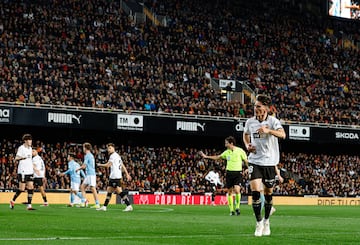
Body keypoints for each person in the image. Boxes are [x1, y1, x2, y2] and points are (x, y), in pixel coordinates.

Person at [243, 94, 286, 237]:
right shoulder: (250, 121)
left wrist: (269, 131)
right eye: (255, 106)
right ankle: (258, 222)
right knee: (255, 191)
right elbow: (245, 134)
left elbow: (283, 135)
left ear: (266, 108)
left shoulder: (273, 121)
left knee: (268, 194)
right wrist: (247, 145)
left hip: (269, 162)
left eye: (258, 106)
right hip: (255, 160)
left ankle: (267, 221)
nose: (255, 108)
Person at [199, 136, 248, 216]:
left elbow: (246, 160)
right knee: (229, 192)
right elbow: (217, 157)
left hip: (238, 173)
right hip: (229, 173)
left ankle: (237, 208)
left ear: (231, 143)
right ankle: (231, 210)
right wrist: (206, 157)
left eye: (226, 143)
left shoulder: (240, 151)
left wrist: (249, 169)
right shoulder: (226, 152)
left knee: (237, 190)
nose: (225, 144)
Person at [96, 143, 133, 212]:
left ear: (113, 148)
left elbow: (108, 165)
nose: (108, 150)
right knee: (109, 191)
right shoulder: (118, 156)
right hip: (115, 176)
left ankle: (129, 205)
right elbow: (122, 165)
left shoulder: (113, 156)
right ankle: (104, 206)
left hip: (115, 176)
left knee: (119, 191)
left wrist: (99, 164)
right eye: (108, 148)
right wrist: (127, 174)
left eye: (110, 148)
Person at [9, 134, 36, 210]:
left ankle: (29, 205)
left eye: (31, 140)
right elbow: (16, 158)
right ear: (25, 141)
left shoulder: (30, 148)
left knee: (31, 187)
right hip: (23, 171)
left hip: (29, 171)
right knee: (22, 189)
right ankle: (12, 200)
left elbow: (30, 159)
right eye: (29, 140)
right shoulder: (21, 148)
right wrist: (22, 157)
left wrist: (33, 168)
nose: (30, 141)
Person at [76, 142, 100, 208]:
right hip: (89, 174)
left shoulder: (87, 155)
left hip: (91, 174)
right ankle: (83, 202)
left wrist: (78, 169)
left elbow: (84, 166)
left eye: (83, 147)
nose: (83, 149)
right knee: (82, 187)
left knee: (92, 188)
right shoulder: (90, 155)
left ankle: (97, 204)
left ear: (86, 148)